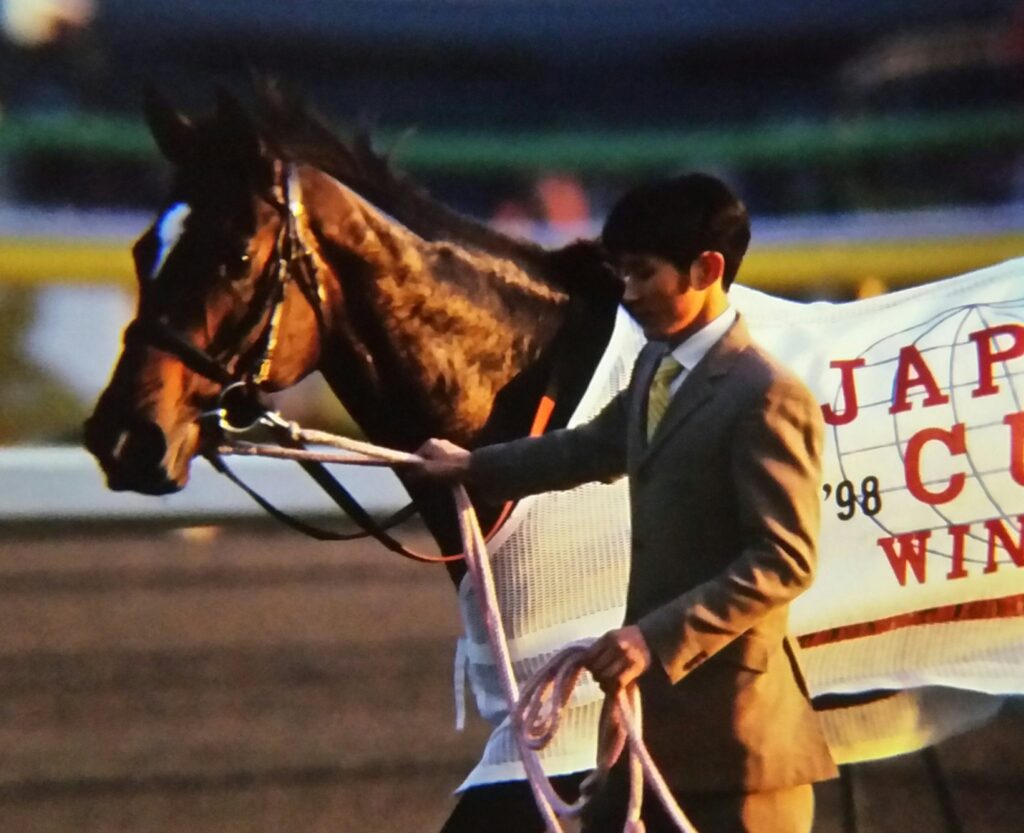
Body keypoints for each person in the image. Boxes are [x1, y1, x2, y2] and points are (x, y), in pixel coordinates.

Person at [413, 173, 837, 833]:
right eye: (621, 275)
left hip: (739, 746)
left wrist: (652, 637)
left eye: (642, 275)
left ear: (707, 267)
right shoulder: (654, 368)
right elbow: (586, 448)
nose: (629, 295)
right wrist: (474, 467)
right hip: (646, 732)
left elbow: (785, 560)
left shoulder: (767, 396)